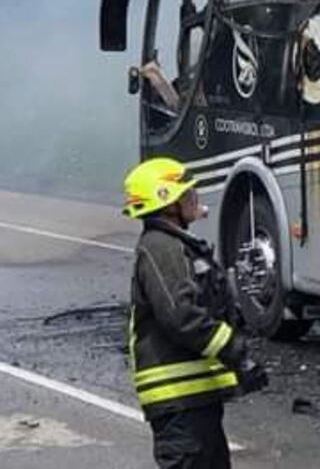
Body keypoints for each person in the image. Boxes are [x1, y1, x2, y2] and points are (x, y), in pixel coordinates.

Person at [123, 157, 267, 468]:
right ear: (168, 202)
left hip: (194, 403)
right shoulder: (161, 247)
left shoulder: (174, 245)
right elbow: (181, 316)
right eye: (187, 193)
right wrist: (235, 351)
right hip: (179, 407)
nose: (194, 199)